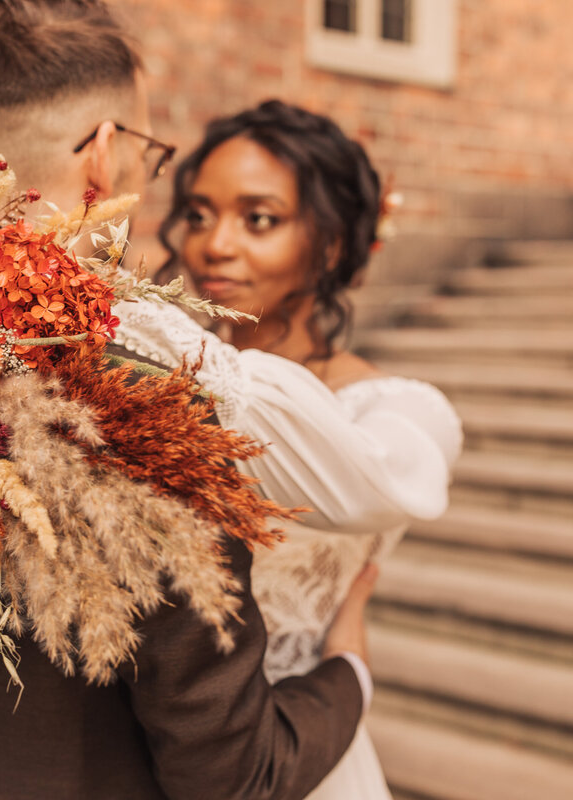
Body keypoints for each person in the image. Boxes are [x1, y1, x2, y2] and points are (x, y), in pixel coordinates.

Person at [0, 3, 378, 799]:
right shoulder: (149, 405)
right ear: (106, 157)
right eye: (150, 155)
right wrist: (347, 670)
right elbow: (235, 778)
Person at [115, 100, 464, 799]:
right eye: (200, 213)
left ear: (330, 245)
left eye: (260, 219)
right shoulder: (143, 382)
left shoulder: (401, 413)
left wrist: (109, 308)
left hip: (295, 752)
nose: (214, 244)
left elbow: (374, 483)